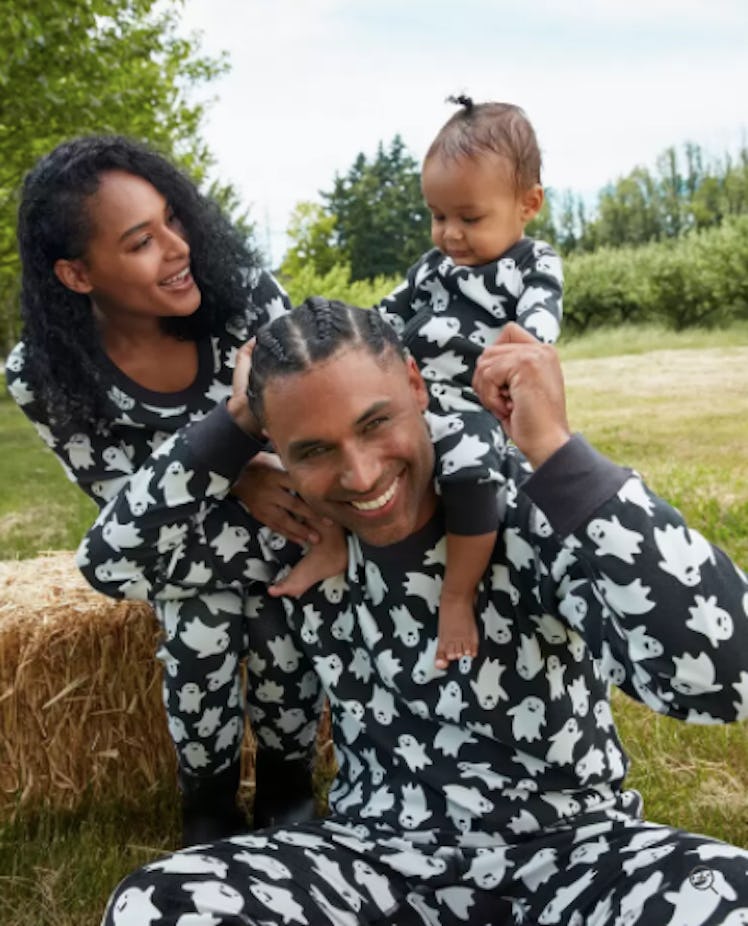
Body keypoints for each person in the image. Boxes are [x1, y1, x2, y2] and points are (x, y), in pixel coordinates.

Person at [101, 299, 748, 926]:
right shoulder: (296, 531)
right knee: (156, 906)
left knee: (729, 896)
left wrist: (560, 453)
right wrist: (235, 423)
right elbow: (111, 560)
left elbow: (725, 679)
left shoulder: (524, 503)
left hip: (571, 854)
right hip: (372, 863)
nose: (359, 475)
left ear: (416, 383)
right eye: (314, 450)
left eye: (375, 422)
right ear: (277, 447)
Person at [5, 136, 333, 845]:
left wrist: (279, 503)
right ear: (77, 273)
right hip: (173, 543)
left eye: (172, 221)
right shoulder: (44, 373)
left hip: (282, 525)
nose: (177, 247)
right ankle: (210, 808)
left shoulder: (246, 296)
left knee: (245, 613)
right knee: (195, 600)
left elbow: (322, 424)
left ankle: (282, 790)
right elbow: (125, 527)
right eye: (140, 242)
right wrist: (238, 442)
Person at [376, 95, 563, 669]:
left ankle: (456, 596)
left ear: (527, 204)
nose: (450, 234)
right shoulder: (431, 268)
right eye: (437, 216)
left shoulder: (533, 263)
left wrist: (518, 365)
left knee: (471, 466)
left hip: (477, 404)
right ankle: (334, 549)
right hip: (408, 390)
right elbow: (384, 314)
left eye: (469, 217)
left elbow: (537, 332)